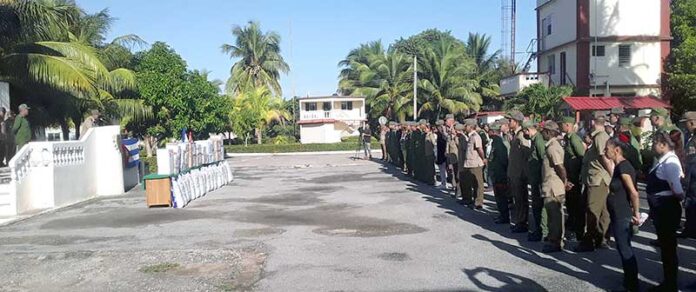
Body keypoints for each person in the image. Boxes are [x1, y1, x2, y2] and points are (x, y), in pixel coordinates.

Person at [646, 132, 684, 292]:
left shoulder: (670, 163)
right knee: (666, 247)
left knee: (668, 248)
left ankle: (670, 284)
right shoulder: (664, 161)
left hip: (666, 209)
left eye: (654, 143)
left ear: (662, 144)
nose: (653, 147)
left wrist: (667, 199)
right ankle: (668, 281)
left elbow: (678, 190)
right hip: (661, 208)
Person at [604, 138, 641, 292]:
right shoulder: (619, 166)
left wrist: (636, 213)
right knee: (622, 247)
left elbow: (633, 193)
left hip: (622, 213)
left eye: (607, 149)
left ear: (616, 150)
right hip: (618, 212)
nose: (604, 152)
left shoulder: (624, 167)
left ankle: (632, 285)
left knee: (625, 248)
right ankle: (628, 281)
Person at [576, 114, 613, 252]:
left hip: (597, 179)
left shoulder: (600, 137)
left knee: (592, 211)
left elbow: (605, 158)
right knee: (602, 210)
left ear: (592, 121)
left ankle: (589, 241)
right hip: (596, 179)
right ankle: (601, 238)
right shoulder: (600, 136)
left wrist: (612, 175)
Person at [539, 121, 567, 253]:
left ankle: (555, 242)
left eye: (544, 131)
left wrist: (565, 181)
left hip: (553, 186)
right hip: (551, 185)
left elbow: (559, 167)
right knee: (553, 215)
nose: (542, 133)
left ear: (549, 132)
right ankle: (554, 239)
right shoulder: (551, 145)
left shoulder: (552, 147)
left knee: (555, 216)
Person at [506, 110, 532, 233]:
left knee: (521, 198)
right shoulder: (515, 135)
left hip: (519, 173)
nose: (508, 122)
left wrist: (524, 172)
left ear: (516, 122)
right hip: (515, 172)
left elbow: (527, 153)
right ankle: (520, 221)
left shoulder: (521, 135)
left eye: (510, 120)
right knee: (517, 198)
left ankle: (522, 222)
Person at [560, 117, 586, 241]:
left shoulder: (574, 138)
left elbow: (581, 155)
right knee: (570, 204)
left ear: (568, 125)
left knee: (575, 204)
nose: (561, 126)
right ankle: (571, 226)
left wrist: (579, 174)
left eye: (563, 124)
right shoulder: (566, 138)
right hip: (569, 174)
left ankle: (577, 230)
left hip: (574, 176)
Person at [524, 120, 547, 242]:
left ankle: (542, 231)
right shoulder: (534, 140)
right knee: (536, 205)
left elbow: (543, 158)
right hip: (534, 178)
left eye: (525, 131)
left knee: (539, 206)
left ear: (528, 130)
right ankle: (539, 229)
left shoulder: (538, 140)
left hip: (539, 178)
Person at [459, 118, 486, 208]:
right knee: (469, 182)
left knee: (478, 184)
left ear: (470, 126)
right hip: (469, 163)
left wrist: (483, 159)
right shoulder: (470, 136)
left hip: (475, 163)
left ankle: (478, 202)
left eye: (466, 126)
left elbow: (479, 149)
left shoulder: (475, 136)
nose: (464, 127)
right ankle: (469, 200)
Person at [489, 122, 510, 224]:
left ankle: (504, 216)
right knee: (498, 196)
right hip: (496, 173)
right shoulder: (495, 142)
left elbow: (503, 160)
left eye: (490, 131)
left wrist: (502, 173)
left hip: (500, 174)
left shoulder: (499, 143)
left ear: (493, 132)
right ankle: (502, 214)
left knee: (501, 196)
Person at [680, 111, 696, 239]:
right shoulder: (689, 135)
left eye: (685, 123)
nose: (685, 126)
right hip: (690, 174)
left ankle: (691, 229)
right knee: (690, 203)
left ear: (692, 122)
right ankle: (690, 229)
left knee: (692, 201)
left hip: (694, 174)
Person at [445, 114, 460, 195]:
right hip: (451, 154)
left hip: (456, 154)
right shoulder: (449, 129)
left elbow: (459, 143)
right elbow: (448, 142)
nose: (445, 122)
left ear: (451, 121)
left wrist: (454, 134)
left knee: (457, 173)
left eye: (446, 120)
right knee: (452, 172)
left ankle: (458, 190)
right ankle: (455, 188)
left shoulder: (456, 128)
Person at [435, 120, 448, 189]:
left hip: (444, 153)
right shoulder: (439, 134)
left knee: (444, 169)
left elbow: (447, 141)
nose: (438, 128)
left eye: (439, 126)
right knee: (441, 169)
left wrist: (444, 132)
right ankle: (443, 182)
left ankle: (444, 183)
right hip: (440, 153)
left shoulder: (444, 134)